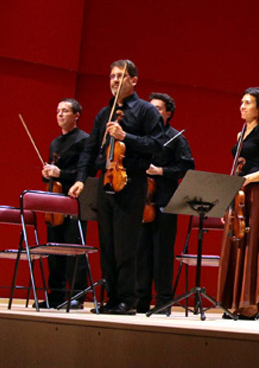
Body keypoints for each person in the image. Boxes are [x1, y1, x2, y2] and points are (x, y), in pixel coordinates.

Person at [68, 60, 165, 315]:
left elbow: (156, 144)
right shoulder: (104, 113)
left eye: (121, 76)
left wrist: (126, 138)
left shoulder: (146, 111)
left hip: (130, 183)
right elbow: (90, 148)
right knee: (107, 244)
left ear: (134, 80)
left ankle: (128, 300)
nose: (114, 80)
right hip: (105, 183)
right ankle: (112, 298)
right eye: (112, 76)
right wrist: (80, 178)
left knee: (125, 245)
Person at [218, 88, 259, 319]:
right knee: (237, 244)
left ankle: (250, 305)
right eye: (241, 102)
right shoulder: (241, 134)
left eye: (248, 103)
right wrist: (228, 201)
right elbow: (235, 170)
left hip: (256, 195)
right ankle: (236, 302)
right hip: (239, 196)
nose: (242, 106)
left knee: (253, 245)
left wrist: (249, 179)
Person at [138, 92, 194, 314]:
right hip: (141, 202)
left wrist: (161, 171)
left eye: (158, 108)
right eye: (150, 108)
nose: (153, 112)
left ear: (168, 113)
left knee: (162, 253)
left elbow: (187, 166)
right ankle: (140, 300)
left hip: (165, 202)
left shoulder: (176, 138)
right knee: (141, 253)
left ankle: (163, 302)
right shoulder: (142, 137)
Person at [41, 98, 90, 309]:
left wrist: (60, 173)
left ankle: (78, 295)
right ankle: (56, 295)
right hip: (55, 201)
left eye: (65, 111)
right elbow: (51, 174)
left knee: (73, 248)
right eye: (58, 111)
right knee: (54, 250)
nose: (60, 114)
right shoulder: (54, 142)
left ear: (76, 115)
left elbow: (85, 172)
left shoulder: (84, 140)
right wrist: (47, 174)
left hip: (74, 200)